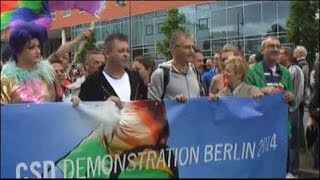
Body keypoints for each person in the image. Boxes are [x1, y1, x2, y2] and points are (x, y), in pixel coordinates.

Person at [79, 33, 147, 108]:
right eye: (121, 51)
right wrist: (105, 106)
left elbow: (147, 107)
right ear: (107, 53)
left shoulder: (136, 79)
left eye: (128, 51)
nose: (126, 54)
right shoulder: (91, 82)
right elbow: (84, 113)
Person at [1, 21, 56, 104]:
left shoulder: (46, 76)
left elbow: (54, 107)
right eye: (31, 47)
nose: (37, 51)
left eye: (38, 46)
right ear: (18, 51)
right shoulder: (6, 80)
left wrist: (73, 103)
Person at [148, 30, 200, 102]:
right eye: (187, 47)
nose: (192, 51)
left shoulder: (194, 71)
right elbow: (153, 106)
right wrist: (174, 103)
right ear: (174, 49)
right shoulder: (160, 74)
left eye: (192, 47)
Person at [279, 46, 304, 177]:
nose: (278, 55)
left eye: (281, 53)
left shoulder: (295, 69)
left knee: (293, 142)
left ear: (287, 56)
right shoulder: (283, 70)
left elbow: (297, 91)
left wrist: (292, 107)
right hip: (285, 111)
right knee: (287, 141)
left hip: (292, 110)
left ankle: (294, 171)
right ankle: (288, 169)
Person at [293, 45, 309, 152]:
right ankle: (302, 146)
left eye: (296, 51)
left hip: (300, 98)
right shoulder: (304, 64)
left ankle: (301, 146)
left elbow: (301, 83)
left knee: (298, 123)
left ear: (299, 53)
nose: (294, 52)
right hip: (301, 97)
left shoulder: (301, 65)